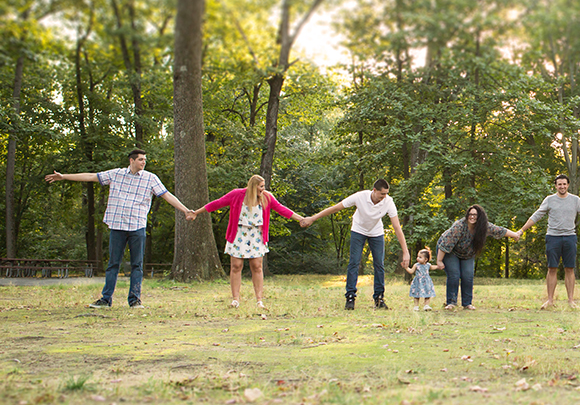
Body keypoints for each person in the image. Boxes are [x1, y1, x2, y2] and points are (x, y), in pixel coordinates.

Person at [45, 149, 193, 309]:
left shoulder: (151, 178)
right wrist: (63, 176)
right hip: (117, 226)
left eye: (145, 160)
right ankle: (105, 299)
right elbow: (90, 176)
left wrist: (185, 210)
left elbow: (167, 195)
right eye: (141, 159)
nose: (144, 162)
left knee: (137, 264)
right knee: (113, 264)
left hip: (137, 226)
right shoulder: (116, 174)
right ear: (131, 160)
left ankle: (135, 300)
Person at [188, 174, 304, 309]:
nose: (263, 189)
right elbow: (217, 203)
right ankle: (235, 300)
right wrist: (196, 212)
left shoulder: (267, 197)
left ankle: (259, 300)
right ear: (253, 186)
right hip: (238, 234)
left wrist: (301, 219)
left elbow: (282, 209)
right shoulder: (237, 195)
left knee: (257, 266)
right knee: (236, 266)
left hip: (256, 235)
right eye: (261, 186)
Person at [301, 179, 410, 310]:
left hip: (376, 232)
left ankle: (379, 298)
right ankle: (350, 297)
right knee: (354, 262)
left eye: (386, 194)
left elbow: (397, 227)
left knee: (379, 265)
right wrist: (313, 218)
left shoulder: (388, 202)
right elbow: (336, 207)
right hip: (358, 230)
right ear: (374, 191)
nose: (384, 197)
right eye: (382, 194)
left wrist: (405, 251)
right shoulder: (360, 196)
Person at [517, 174, 580, 309]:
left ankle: (571, 301)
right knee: (552, 268)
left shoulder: (575, 200)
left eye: (564, 184)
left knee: (569, 269)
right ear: (555, 186)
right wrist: (522, 230)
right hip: (552, 237)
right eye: (559, 184)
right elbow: (537, 215)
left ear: (568, 185)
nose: (562, 186)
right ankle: (550, 300)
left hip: (569, 237)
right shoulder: (549, 200)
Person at [434, 204, 521, 310]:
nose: (472, 217)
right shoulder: (459, 226)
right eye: (470, 214)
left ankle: (467, 303)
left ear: (480, 216)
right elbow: (445, 245)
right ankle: (451, 302)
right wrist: (439, 261)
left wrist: (515, 235)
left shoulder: (484, 226)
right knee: (454, 275)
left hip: (467, 253)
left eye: (475, 215)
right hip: (449, 251)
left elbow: (499, 230)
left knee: (468, 276)